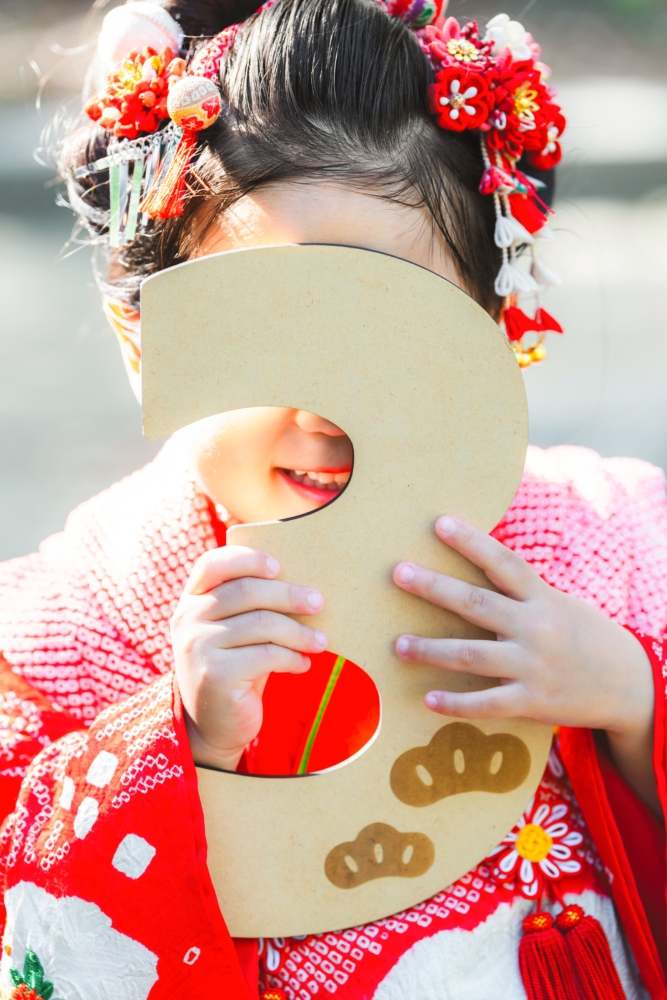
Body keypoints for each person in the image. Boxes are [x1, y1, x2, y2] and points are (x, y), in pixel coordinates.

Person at [0, 1, 665, 998]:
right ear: (147, 336)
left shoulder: (615, 546)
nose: (328, 409)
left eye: (396, 333)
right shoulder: (58, 640)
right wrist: (171, 750)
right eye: (270, 333)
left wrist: (631, 698)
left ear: (494, 322)